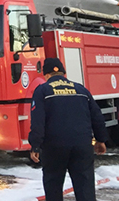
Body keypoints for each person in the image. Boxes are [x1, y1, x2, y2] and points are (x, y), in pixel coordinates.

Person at [29, 58, 108, 201]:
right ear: (63, 73)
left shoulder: (42, 91)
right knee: (85, 186)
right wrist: (101, 140)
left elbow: (38, 121)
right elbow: (97, 116)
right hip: (82, 145)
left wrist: (35, 145)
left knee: (53, 184)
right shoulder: (81, 89)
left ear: (45, 75)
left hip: (54, 147)